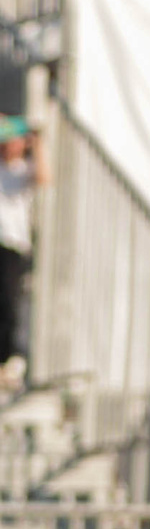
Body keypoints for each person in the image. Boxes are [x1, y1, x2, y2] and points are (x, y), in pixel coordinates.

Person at [0, 118, 43, 374]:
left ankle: (10, 356)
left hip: (14, 244)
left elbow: (44, 177)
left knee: (11, 300)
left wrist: (36, 143)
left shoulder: (22, 170)